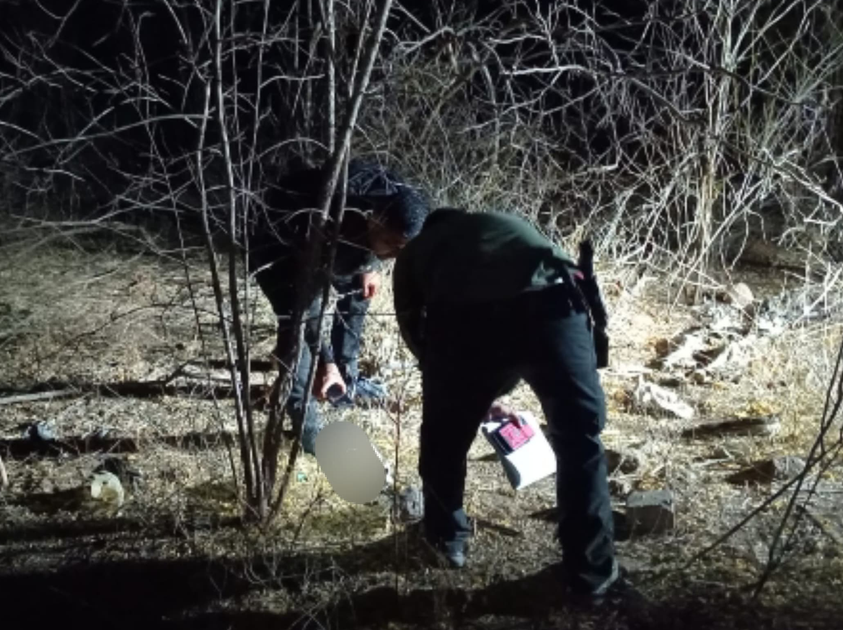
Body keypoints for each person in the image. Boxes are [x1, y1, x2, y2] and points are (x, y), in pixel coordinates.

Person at [391, 207, 633, 606]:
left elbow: (413, 327)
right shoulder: (505, 224)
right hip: (558, 306)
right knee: (580, 439)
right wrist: (493, 388)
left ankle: (446, 537)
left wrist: (462, 388)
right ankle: (591, 574)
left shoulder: (417, 250)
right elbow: (531, 296)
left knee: (444, 437)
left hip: (467, 321)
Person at [248, 158, 429, 455]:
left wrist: (373, 263)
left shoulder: (397, 198)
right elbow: (309, 314)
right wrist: (325, 361)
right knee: (295, 337)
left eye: (404, 249)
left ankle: (347, 378)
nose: (397, 256)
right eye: (392, 245)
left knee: (360, 288)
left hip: (351, 238)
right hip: (278, 248)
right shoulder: (320, 228)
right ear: (374, 221)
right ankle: (309, 430)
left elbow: (392, 238)